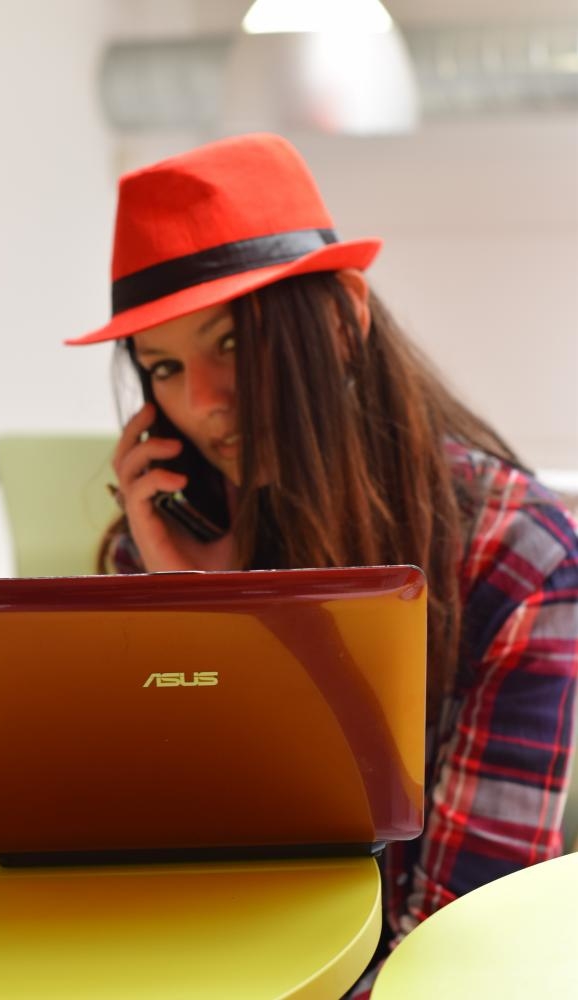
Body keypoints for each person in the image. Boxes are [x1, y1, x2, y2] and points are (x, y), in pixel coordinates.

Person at [67, 132, 578, 996]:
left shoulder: (517, 559)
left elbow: (457, 951)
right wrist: (206, 612)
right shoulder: (163, 547)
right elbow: (154, 868)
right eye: (164, 366)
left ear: (342, 319)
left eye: (232, 343)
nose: (201, 402)